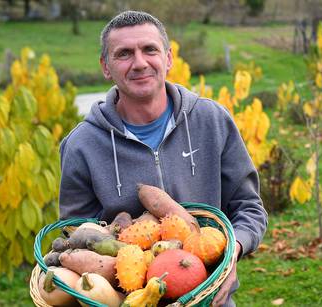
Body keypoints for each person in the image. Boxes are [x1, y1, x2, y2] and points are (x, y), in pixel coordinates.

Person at [59, 10, 268, 306]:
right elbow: (75, 233)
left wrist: (234, 248)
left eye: (149, 50)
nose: (140, 62)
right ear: (106, 67)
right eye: (124, 54)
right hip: (128, 298)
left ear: (168, 58)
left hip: (208, 298)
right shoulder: (82, 144)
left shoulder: (211, 120)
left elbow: (249, 207)